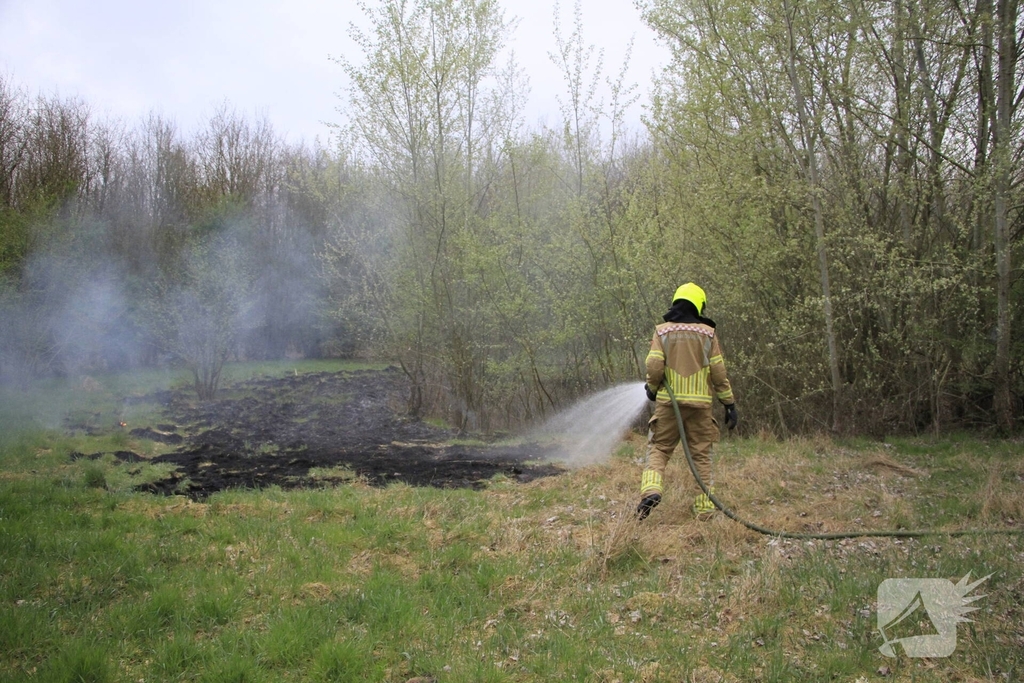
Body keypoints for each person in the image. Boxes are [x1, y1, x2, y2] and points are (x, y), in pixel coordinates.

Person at [637, 283, 737, 520]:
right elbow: (719, 372)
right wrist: (729, 404)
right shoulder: (708, 333)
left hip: (668, 405)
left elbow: (653, 364)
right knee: (701, 455)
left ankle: (651, 491)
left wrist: (652, 388)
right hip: (700, 406)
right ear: (699, 305)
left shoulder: (662, 332)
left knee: (660, 448)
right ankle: (704, 510)